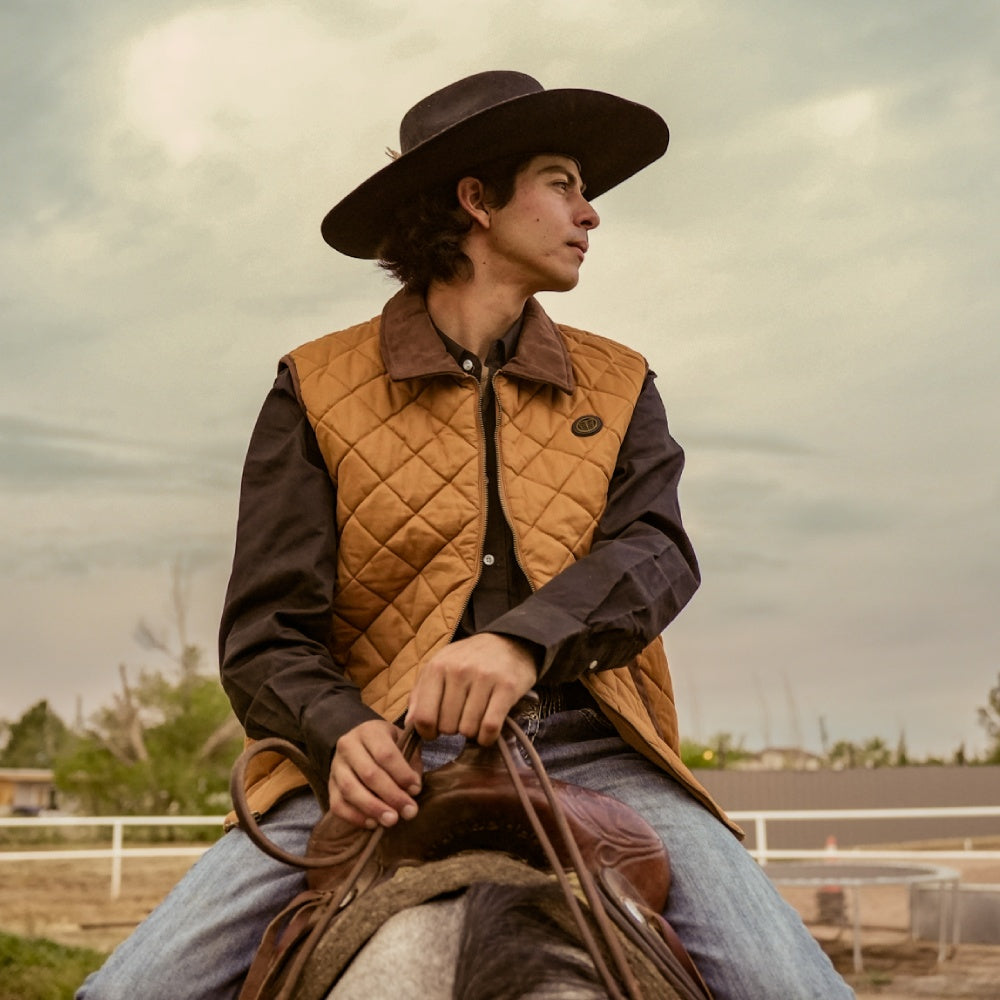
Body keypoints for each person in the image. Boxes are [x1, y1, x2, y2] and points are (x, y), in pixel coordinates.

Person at [78, 71, 854, 999]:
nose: (591, 212)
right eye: (562, 181)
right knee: (126, 991)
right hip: (372, 763)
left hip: (593, 748)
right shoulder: (314, 386)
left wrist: (524, 643)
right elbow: (263, 634)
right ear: (476, 200)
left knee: (799, 990)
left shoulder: (621, 382)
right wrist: (339, 735)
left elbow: (656, 554)